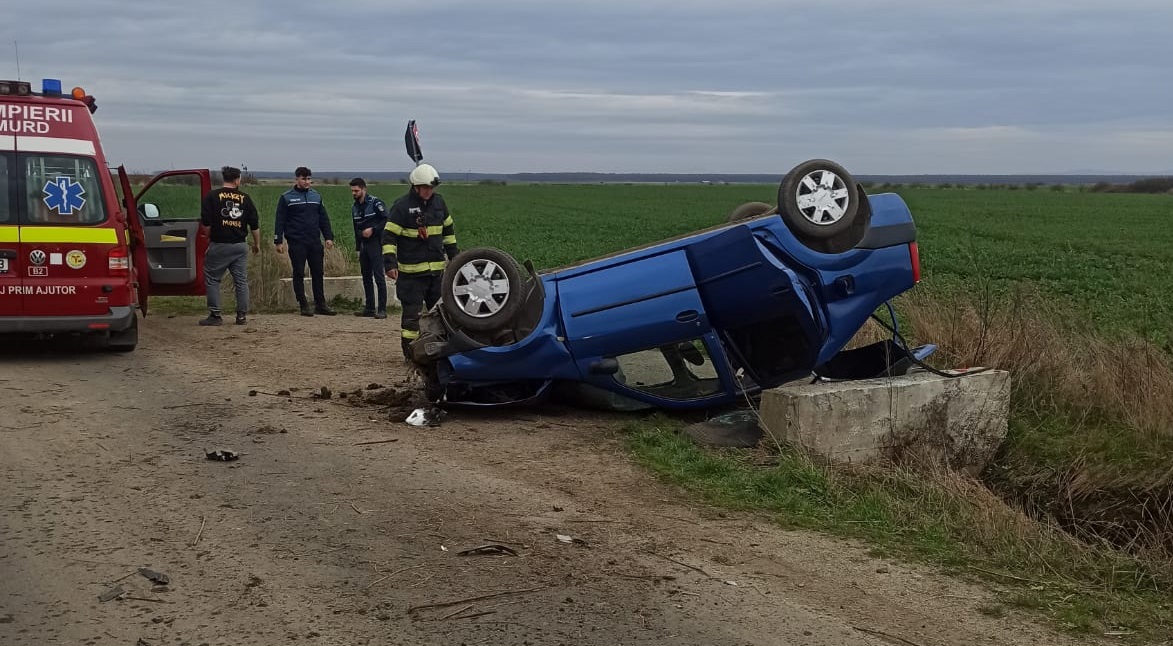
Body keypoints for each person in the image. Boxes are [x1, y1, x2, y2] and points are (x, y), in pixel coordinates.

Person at [382, 163, 459, 358]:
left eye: (431, 188)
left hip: (436, 275)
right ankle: (410, 355)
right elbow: (388, 237)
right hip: (411, 276)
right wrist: (390, 264)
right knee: (412, 319)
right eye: (425, 188)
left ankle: (438, 354)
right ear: (415, 187)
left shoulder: (439, 203)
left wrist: (455, 258)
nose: (428, 191)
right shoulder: (402, 207)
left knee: (440, 316)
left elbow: (449, 233)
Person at [198, 166, 260, 326]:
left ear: (223, 178)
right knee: (241, 281)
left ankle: (215, 315)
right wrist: (257, 244)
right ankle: (241, 316)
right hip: (240, 246)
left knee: (212, 278)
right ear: (237, 180)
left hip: (219, 244)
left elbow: (206, 223)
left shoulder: (212, 196)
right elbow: (254, 225)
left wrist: (209, 237)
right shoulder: (245, 198)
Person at [274, 166, 337, 316]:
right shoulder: (286, 197)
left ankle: (320, 304)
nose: (307, 182)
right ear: (297, 179)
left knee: (318, 272)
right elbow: (280, 220)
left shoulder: (316, 196)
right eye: (304, 179)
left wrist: (328, 237)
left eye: (309, 179)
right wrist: (278, 240)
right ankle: (303, 304)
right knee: (299, 272)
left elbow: (323, 218)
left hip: (314, 241)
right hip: (297, 241)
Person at [349, 177, 389, 318]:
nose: (354, 193)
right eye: (352, 191)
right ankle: (369, 308)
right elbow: (356, 229)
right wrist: (357, 248)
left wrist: (373, 230)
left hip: (376, 243)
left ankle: (382, 309)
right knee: (366, 277)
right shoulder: (354, 207)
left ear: (364, 189)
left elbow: (386, 219)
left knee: (379, 277)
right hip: (363, 245)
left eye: (356, 191)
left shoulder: (375, 203)